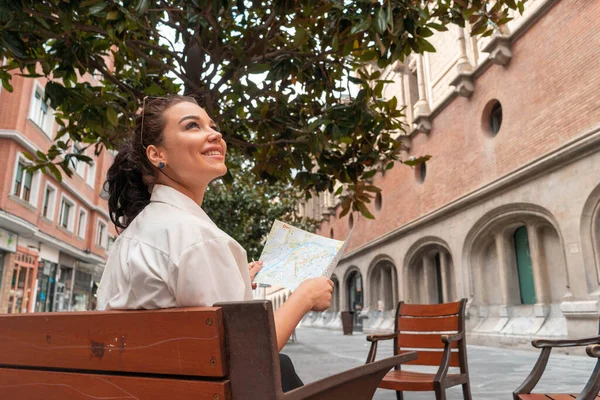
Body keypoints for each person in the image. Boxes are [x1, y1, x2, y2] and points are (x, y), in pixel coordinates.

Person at [97, 95, 334, 392]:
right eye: (192, 126)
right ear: (158, 154)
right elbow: (248, 356)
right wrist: (305, 296)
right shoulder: (197, 238)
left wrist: (236, 281)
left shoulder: (132, 236)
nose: (215, 134)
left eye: (212, 125)